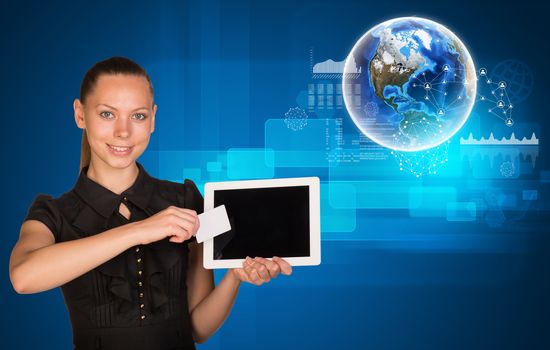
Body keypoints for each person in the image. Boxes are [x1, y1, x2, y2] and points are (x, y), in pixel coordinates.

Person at [9, 56, 292, 350]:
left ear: (153, 119)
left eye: (138, 116)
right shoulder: (53, 213)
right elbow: (23, 277)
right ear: (80, 114)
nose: (123, 132)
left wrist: (234, 278)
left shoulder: (184, 200)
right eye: (107, 114)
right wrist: (140, 230)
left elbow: (198, 329)